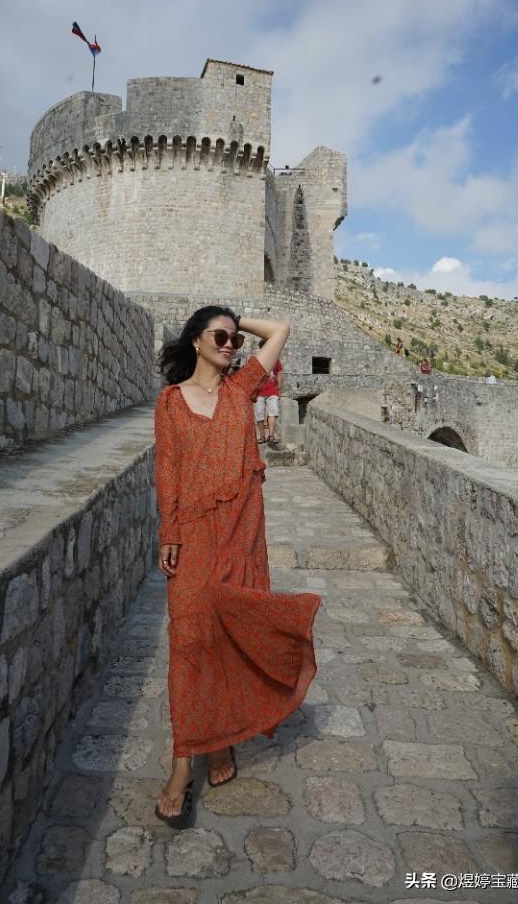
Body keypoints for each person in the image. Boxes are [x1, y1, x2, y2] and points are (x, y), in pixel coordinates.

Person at [153, 306, 321, 826]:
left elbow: (281, 330)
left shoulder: (242, 388)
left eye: (234, 339)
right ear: (196, 342)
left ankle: (221, 739)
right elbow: (167, 468)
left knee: (228, 635)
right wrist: (169, 532)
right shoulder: (170, 401)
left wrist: (236, 319)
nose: (229, 345)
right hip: (193, 534)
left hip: (240, 534)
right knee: (188, 641)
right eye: (219, 337)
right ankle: (184, 763)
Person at [255, 340, 282, 446]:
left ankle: (271, 436)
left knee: (273, 412)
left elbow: (279, 374)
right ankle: (262, 436)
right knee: (259, 414)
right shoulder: (256, 360)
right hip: (258, 391)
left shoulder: (275, 359)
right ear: (261, 348)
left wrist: (279, 389)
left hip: (272, 390)